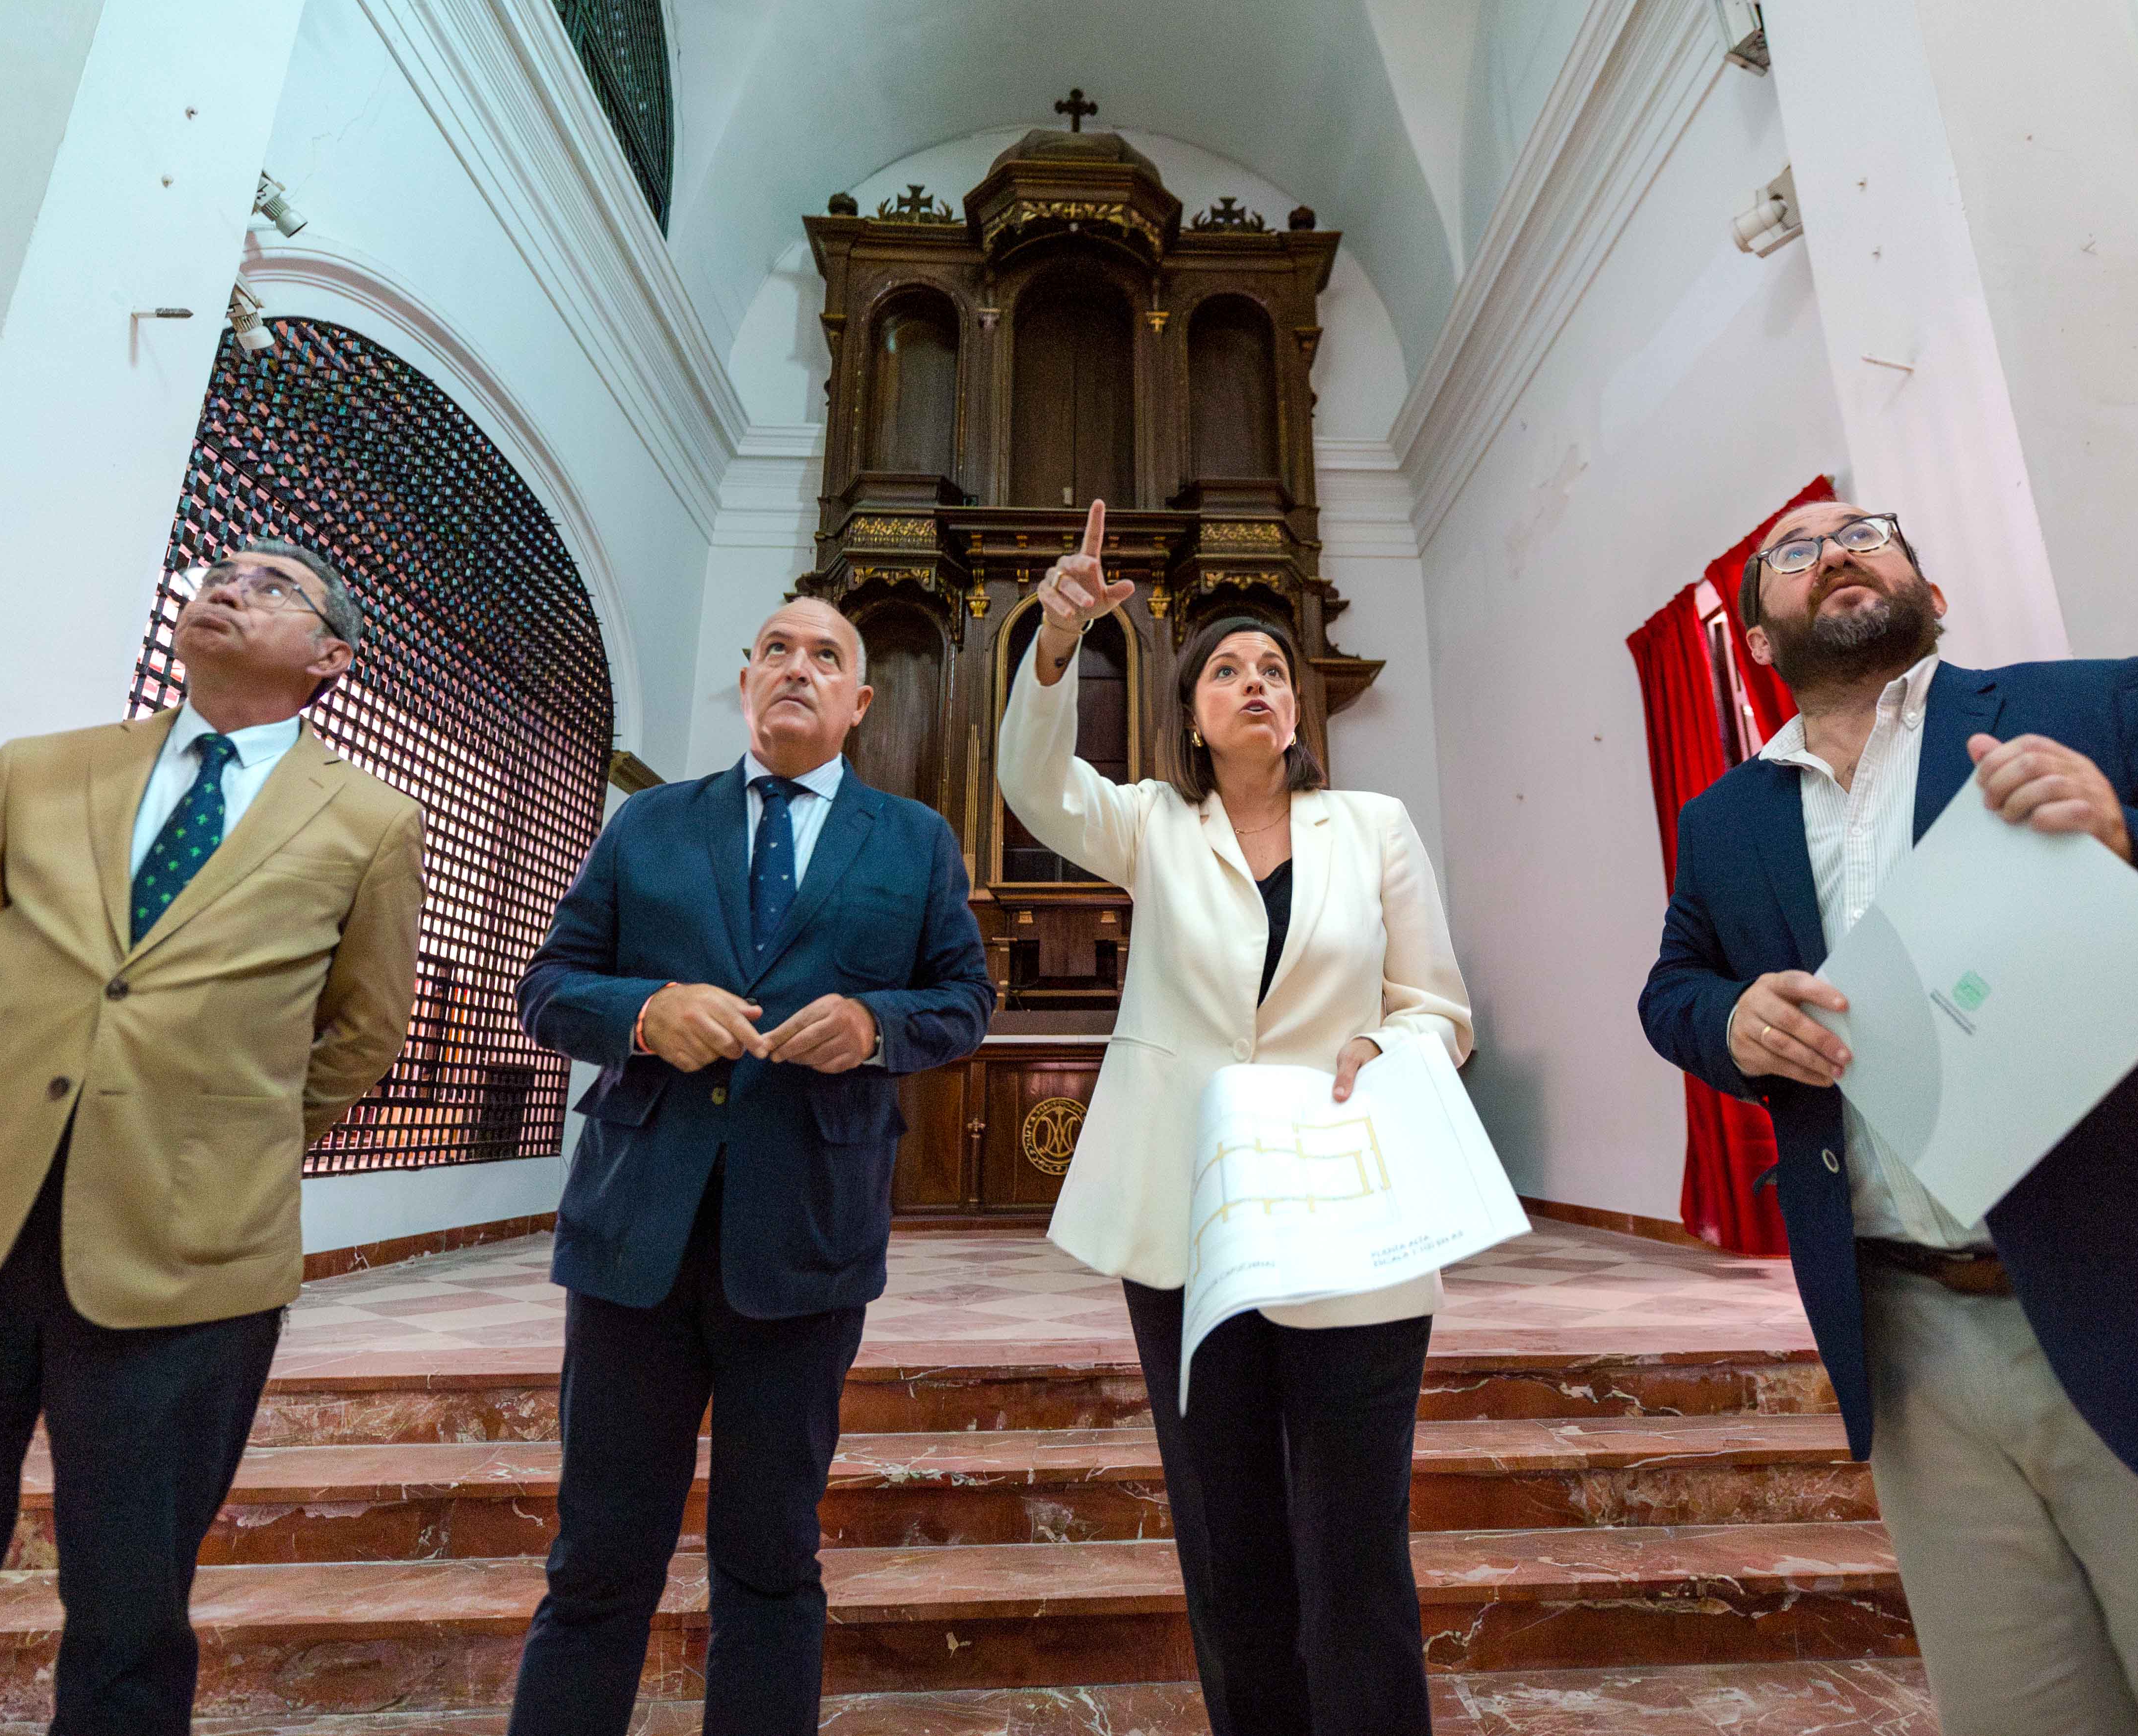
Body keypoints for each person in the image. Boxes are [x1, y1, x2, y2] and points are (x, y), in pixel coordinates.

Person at [1640, 497, 2138, 1734]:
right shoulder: (1726, 819)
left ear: (1932, 595)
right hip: (1909, 1349)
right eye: (1792, 553)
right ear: (1752, 642)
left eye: (1870, 532)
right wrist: (1728, 1023)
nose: (1835, 549)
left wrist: (2136, 842)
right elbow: (1675, 986)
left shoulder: (2098, 707)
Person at [0, 541, 424, 1736]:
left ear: (331, 657)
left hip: (185, 1262)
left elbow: (362, 1031)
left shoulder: (370, 823)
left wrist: (217, 1142)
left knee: (128, 1627)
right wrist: (17, 1112)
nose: (231, 587)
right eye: (222, 572)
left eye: (276, 586)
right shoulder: (38, 772)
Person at [995, 500, 1474, 1736]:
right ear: (1193, 714)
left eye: (1273, 669)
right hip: (1192, 1223)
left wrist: (1387, 1039)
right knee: (1231, 1536)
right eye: (1226, 670)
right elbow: (1035, 784)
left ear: (1299, 712)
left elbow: (1439, 1009)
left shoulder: (1374, 830)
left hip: (1350, 1214)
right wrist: (1055, 644)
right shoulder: (1155, 825)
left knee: (1355, 1544)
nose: (1253, 682)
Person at [505, 596, 993, 1736]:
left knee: (772, 1560)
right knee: (598, 1557)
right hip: (636, 1236)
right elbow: (550, 988)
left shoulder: (913, 840)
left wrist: (876, 1026)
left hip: (807, 1241)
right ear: (745, 683)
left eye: (827, 657)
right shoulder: (651, 827)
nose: (798, 668)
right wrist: (645, 1011)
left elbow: (965, 1002)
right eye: (777, 649)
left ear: (860, 702)